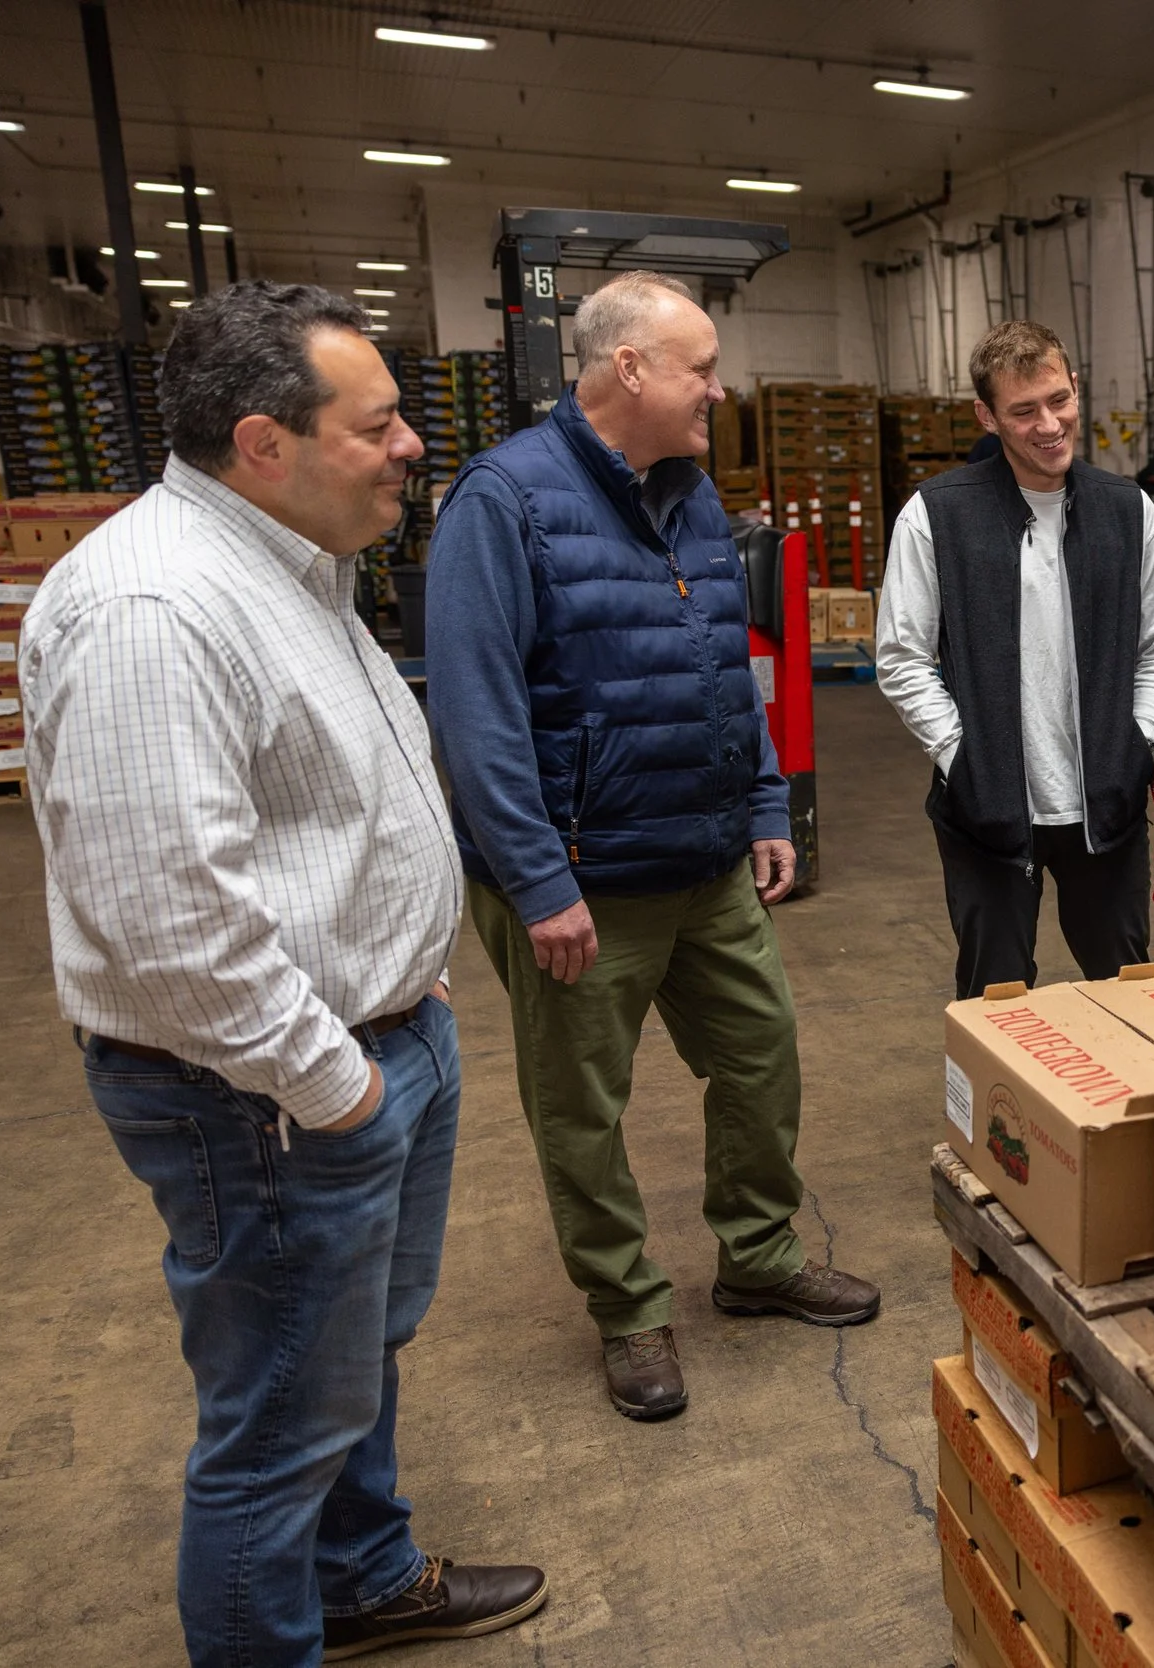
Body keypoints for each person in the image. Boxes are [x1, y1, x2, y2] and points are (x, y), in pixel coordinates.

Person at [21, 281, 547, 1665]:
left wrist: (404, 981)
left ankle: (364, 1577)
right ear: (265, 442)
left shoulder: (293, 565)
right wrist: (341, 1086)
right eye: (375, 425)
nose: (410, 447)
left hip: (366, 1041)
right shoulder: (154, 609)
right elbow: (170, 925)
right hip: (261, 1095)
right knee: (273, 1424)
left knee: (350, 1357)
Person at [424, 271, 878, 1425]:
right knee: (582, 1108)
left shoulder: (691, 496)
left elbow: (729, 668)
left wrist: (767, 806)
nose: (718, 391)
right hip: (580, 883)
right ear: (630, 369)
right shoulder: (505, 501)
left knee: (761, 1053)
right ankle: (628, 1309)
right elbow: (474, 720)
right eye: (702, 368)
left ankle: (759, 1257)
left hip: (707, 860)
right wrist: (535, 883)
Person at [876, 320, 1154, 998]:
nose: (1049, 424)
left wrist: (1139, 743)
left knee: (1126, 989)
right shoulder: (935, 516)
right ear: (987, 416)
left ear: (1076, 388)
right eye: (1024, 410)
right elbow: (902, 658)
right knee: (997, 1000)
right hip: (985, 815)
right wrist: (963, 759)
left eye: (1059, 400)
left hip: (1106, 810)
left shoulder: (1128, 513)